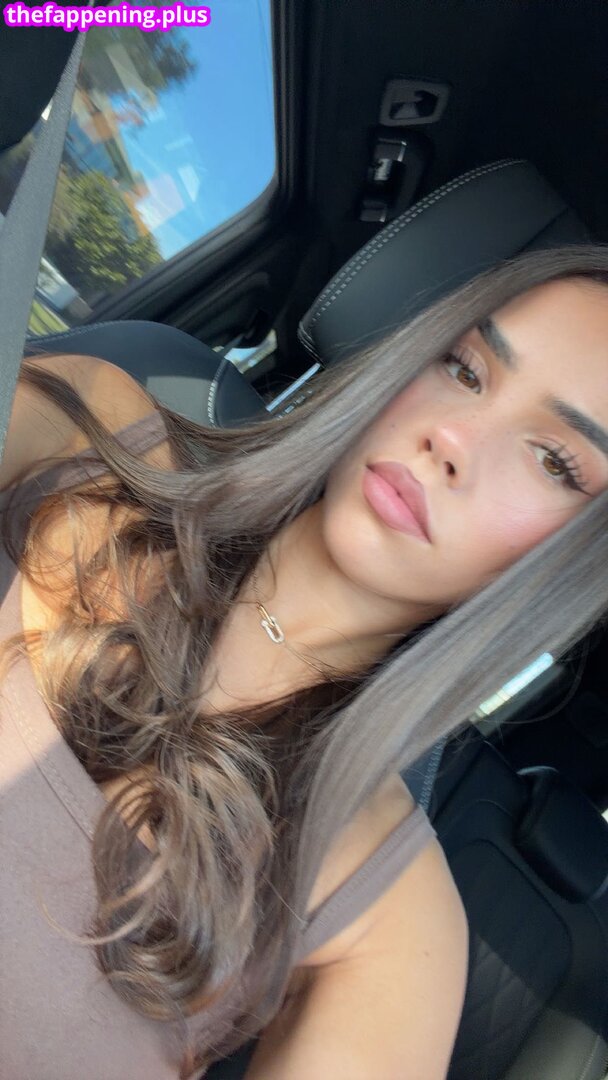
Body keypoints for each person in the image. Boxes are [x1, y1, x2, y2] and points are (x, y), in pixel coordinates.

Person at [2, 244, 608, 1080]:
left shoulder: (395, 926)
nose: (453, 438)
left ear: (571, 568)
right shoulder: (98, 428)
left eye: (555, 461)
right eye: (465, 368)